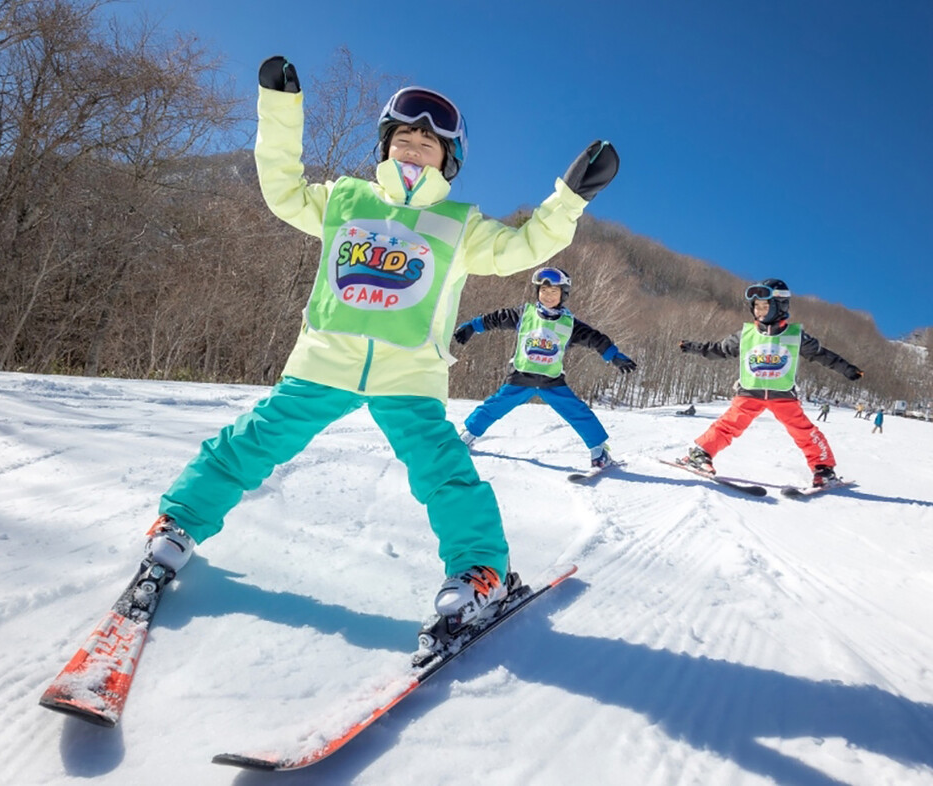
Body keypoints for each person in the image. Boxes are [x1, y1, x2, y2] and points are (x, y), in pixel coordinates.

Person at [143, 55, 621, 628]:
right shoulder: (346, 200)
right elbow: (282, 190)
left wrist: (569, 199)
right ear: (384, 146)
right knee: (252, 441)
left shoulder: (459, 223)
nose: (413, 147)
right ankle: (182, 521)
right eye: (402, 137)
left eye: (429, 142)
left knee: (444, 472)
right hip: (324, 361)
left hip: (408, 373)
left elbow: (522, 247)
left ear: (451, 158)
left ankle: (480, 571)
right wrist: (279, 111)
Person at [677, 278, 864, 487]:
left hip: (782, 395)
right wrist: (694, 347)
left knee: (804, 431)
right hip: (749, 391)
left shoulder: (795, 335)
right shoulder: (746, 334)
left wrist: (846, 368)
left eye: (766, 306)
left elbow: (821, 355)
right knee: (728, 425)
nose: (760, 311)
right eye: (757, 307)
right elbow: (718, 350)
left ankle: (823, 469)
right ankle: (700, 454)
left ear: (780, 306)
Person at [453, 267, 636, 467]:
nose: (548, 296)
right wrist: (472, 326)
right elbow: (496, 318)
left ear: (563, 294)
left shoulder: (570, 323)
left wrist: (614, 355)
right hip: (521, 377)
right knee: (493, 407)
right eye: (544, 291)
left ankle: (599, 452)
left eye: (554, 292)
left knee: (578, 412)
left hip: (551, 380)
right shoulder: (524, 314)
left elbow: (594, 338)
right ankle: (467, 436)